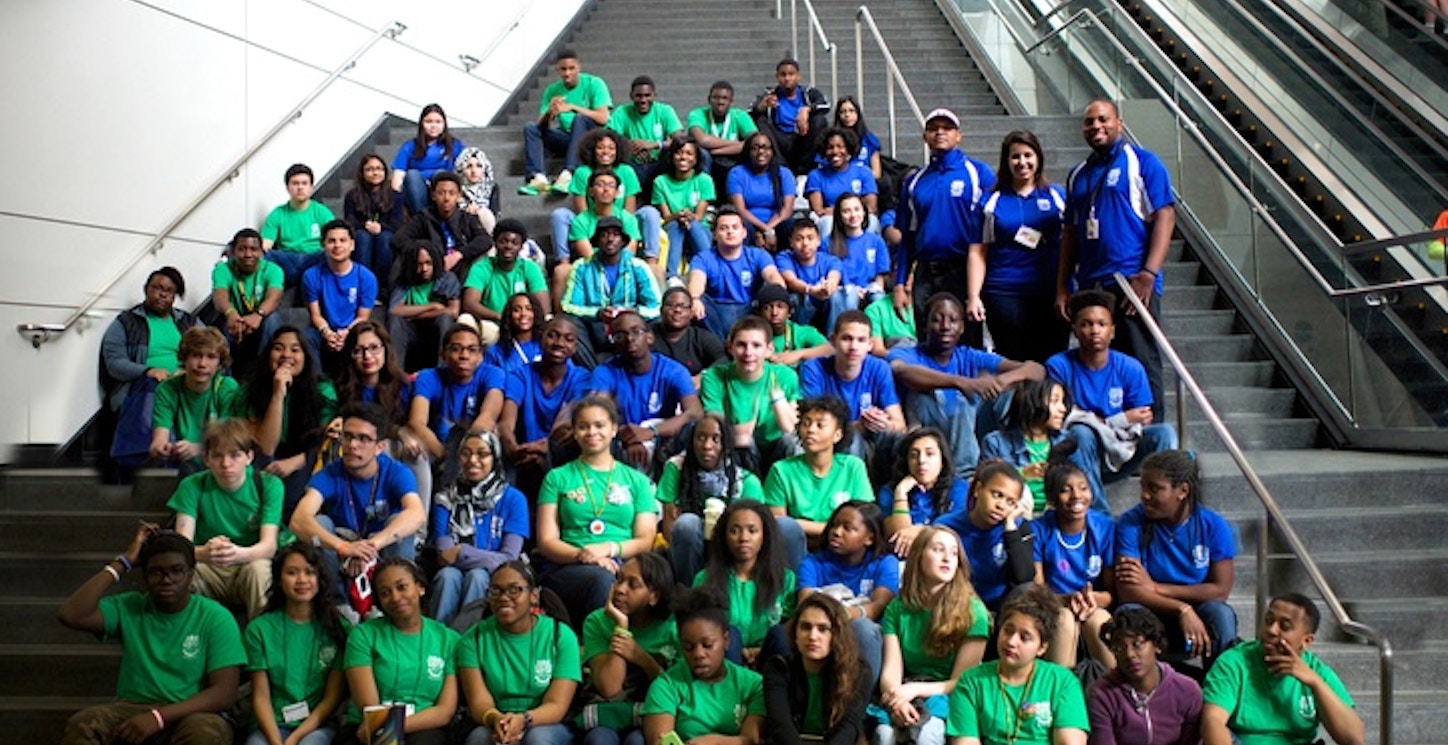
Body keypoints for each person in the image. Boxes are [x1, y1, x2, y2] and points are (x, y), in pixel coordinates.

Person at [58, 526, 244, 745]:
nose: (167, 579)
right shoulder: (129, 606)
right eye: (157, 571)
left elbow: (225, 692)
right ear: (144, 577)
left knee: (205, 733)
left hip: (190, 711)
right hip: (132, 708)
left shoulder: (215, 617)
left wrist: (159, 717)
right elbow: (71, 614)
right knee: (83, 723)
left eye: (177, 570)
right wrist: (123, 562)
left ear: (191, 575)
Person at [1056, 99, 1176, 421]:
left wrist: (1148, 272)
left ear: (1119, 123)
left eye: (1103, 120)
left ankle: (1155, 444)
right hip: (1092, 286)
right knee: (1099, 362)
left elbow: (1165, 215)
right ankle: (1115, 441)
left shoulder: (1143, 163)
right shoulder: (1078, 175)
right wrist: (1063, 285)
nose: (1096, 126)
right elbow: (1070, 233)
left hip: (1131, 282)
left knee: (1140, 362)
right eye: (1089, 122)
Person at [535, 396, 660, 630]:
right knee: (602, 579)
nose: (591, 432)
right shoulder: (557, 478)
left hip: (624, 564)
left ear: (613, 429)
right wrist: (585, 555)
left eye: (599, 425)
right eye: (583, 426)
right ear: (574, 432)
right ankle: (600, 652)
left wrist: (609, 549)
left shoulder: (637, 481)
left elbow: (646, 539)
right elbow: (546, 541)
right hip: (569, 566)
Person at [1047, 290, 1177, 512]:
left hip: (1121, 448)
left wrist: (1094, 418)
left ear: (1112, 331)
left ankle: (1161, 510)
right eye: (1086, 324)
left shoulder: (1131, 367)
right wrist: (1120, 418)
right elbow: (1061, 419)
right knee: (1081, 433)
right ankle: (1100, 517)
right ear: (1075, 331)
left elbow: (1142, 418)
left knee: (1164, 434)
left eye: (1101, 324)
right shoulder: (1059, 365)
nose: (1094, 330)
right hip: (1076, 456)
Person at [889, 293, 1044, 478]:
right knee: (926, 395)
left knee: (1010, 392)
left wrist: (1002, 381)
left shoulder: (969, 356)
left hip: (971, 435)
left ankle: (1009, 464)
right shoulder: (909, 354)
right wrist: (960, 382)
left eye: (953, 320)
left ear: (962, 327)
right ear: (924, 324)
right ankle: (963, 475)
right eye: (937, 320)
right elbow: (901, 371)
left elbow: (1037, 370)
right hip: (928, 437)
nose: (945, 326)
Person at [289, 402, 427, 601]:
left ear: (380, 446)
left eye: (363, 439)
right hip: (341, 554)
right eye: (348, 436)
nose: (353, 445)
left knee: (401, 523)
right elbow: (298, 520)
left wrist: (370, 546)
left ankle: (397, 602)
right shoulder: (330, 473)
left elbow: (417, 514)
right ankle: (336, 604)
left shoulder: (396, 472)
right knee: (319, 524)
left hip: (382, 548)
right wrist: (344, 548)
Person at [1115, 450, 1238, 661]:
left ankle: (1219, 688)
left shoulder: (1213, 526)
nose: (1145, 495)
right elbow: (1129, 591)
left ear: (1182, 491)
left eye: (1155, 488)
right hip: (1151, 611)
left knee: (1220, 614)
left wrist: (1156, 587)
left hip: (1197, 617)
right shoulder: (1130, 523)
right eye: (1143, 487)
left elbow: (1220, 590)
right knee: (1128, 612)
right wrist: (1181, 608)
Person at [874, 526, 990, 745]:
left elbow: (962, 681)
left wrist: (914, 690)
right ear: (918, 556)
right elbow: (891, 671)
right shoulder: (897, 608)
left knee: (927, 734)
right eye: (938, 549)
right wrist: (898, 701)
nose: (947, 558)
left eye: (954, 553)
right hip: (907, 691)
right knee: (884, 735)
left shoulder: (974, 612)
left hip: (950, 695)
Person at [1200, 594, 1363, 745]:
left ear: (1306, 641)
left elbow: (1353, 738)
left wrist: (1315, 682)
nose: (1271, 630)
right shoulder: (1233, 662)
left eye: (1284, 626)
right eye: (1269, 621)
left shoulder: (1317, 672)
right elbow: (1213, 720)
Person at [967, 130, 1070, 364]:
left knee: (1052, 361)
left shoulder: (1057, 197)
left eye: (1028, 155)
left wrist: (1066, 287)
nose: (1022, 162)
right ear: (1006, 161)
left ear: (1038, 158)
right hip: (1004, 292)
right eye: (1015, 157)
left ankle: (1049, 402)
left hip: (1050, 292)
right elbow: (977, 252)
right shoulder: (990, 201)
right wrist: (973, 296)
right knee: (1013, 361)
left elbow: (1071, 243)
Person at [893, 109, 996, 337]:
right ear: (925, 136)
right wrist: (899, 284)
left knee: (967, 340)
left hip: (963, 271)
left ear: (958, 135)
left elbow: (993, 226)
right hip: (926, 273)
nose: (940, 132)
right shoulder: (914, 182)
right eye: (933, 128)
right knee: (927, 338)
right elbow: (907, 239)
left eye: (947, 128)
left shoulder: (978, 173)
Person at [946, 584, 1091, 745]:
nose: (1011, 642)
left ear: (1042, 647)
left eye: (1025, 637)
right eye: (1008, 630)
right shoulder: (971, 682)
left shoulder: (1063, 682)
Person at [167, 419, 282, 620]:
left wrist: (237, 554)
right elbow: (181, 547)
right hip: (208, 567)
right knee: (181, 573)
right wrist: (205, 552)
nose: (226, 464)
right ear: (206, 459)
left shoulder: (269, 485)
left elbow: (269, 546)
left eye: (234, 455)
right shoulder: (192, 486)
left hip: (248, 563)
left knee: (260, 571)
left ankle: (261, 644)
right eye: (217, 456)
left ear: (249, 457)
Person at [457, 560, 582, 745]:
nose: (504, 597)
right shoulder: (472, 639)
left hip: (547, 722)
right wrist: (499, 722)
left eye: (514, 590)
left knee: (537, 739)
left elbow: (557, 705)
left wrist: (523, 720)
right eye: (496, 590)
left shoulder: (560, 635)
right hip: (495, 719)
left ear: (533, 595)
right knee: (479, 739)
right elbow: (479, 703)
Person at [338, 558, 459, 745]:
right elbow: (370, 707)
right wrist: (388, 732)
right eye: (385, 593)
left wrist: (400, 725)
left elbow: (444, 712)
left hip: (422, 727)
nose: (395, 597)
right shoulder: (363, 635)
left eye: (402, 587)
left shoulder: (449, 640)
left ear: (420, 588)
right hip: (368, 727)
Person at [243, 543, 349, 745]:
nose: (302, 580)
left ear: (320, 579)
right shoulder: (259, 630)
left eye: (309, 572)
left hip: (317, 725)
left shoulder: (338, 629)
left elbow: (331, 699)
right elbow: (261, 697)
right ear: (279, 580)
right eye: (292, 572)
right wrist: (276, 742)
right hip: (271, 725)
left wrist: (295, 739)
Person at [229, 325, 338, 519]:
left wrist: (295, 462)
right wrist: (278, 393)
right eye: (278, 348)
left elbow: (326, 441)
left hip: (308, 458)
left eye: (295, 350)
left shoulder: (323, 390)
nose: (286, 355)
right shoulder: (249, 391)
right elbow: (267, 447)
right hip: (262, 456)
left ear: (306, 356)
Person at [641, 587, 767, 745]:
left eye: (707, 645)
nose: (698, 654)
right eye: (688, 647)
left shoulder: (754, 685)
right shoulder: (665, 686)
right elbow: (661, 741)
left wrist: (714, 743)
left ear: (726, 640)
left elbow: (750, 740)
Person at [428, 432, 529, 627]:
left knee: (478, 576)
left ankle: (466, 643)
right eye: (465, 454)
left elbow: (509, 558)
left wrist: (461, 551)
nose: (472, 460)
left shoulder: (513, 499)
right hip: (454, 573)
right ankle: (438, 642)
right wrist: (482, 557)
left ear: (495, 458)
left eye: (482, 454)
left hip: (497, 577)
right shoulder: (445, 498)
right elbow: (444, 556)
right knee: (447, 576)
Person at [763, 395, 874, 570]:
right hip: (799, 549)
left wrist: (802, 524)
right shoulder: (781, 470)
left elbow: (866, 520)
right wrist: (830, 529)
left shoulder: (853, 467)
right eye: (806, 423)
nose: (811, 430)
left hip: (843, 547)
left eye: (820, 425)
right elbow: (778, 523)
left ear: (837, 435)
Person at [101, 267, 199, 466]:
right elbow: (114, 364)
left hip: (184, 384)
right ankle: (162, 455)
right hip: (140, 389)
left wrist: (187, 372)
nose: (162, 294)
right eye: (157, 288)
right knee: (157, 387)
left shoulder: (187, 322)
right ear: (146, 289)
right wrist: (147, 370)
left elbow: (213, 347)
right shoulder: (127, 322)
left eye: (169, 291)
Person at [579, 554, 680, 745]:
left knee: (637, 741)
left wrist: (641, 658)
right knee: (599, 740)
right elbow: (610, 689)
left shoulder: (673, 627)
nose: (620, 589)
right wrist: (621, 627)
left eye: (633, 585)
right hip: (609, 713)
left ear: (654, 596)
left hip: (652, 713)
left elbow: (676, 691)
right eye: (619, 580)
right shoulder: (597, 621)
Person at [658, 412, 765, 588]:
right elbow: (670, 530)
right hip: (689, 552)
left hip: (730, 551)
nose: (707, 445)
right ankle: (688, 595)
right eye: (701, 437)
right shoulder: (676, 469)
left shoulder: (746, 482)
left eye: (716, 439)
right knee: (687, 524)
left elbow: (753, 536)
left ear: (726, 444)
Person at [1032, 448, 1116, 670]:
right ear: (1052, 498)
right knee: (1064, 621)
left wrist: (1091, 600)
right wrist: (1066, 600)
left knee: (1099, 622)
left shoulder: (1105, 528)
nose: (1077, 496)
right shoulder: (1039, 530)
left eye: (1083, 488)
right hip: (1054, 604)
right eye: (1066, 490)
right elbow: (1037, 591)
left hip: (1092, 605)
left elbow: (1111, 593)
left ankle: (1119, 696)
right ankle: (1061, 695)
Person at [796, 501, 898, 682]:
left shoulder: (884, 562)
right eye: (834, 525)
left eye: (848, 528)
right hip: (822, 633)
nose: (836, 532)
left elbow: (881, 605)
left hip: (865, 638)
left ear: (869, 538)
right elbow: (806, 604)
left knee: (863, 628)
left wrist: (848, 613)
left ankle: (863, 700)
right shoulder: (813, 563)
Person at [588, 309, 702, 470]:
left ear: (649, 337)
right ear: (613, 342)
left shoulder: (673, 371)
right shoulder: (605, 372)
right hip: (621, 442)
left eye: (636, 332)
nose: (629, 339)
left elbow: (695, 412)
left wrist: (650, 432)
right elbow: (596, 413)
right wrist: (628, 436)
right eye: (620, 335)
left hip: (662, 441)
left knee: (691, 428)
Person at [800, 310, 907, 475]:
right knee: (852, 440)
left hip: (871, 442)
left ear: (870, 345)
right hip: (827, 442)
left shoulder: (879, 368)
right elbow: (812, 426)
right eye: (847, 338)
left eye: (861, 340)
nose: (854, 347)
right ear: (833, 340)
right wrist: (857, 426)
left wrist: (882, 423)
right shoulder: (814, 368)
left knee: (901, 440)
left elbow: (900, 424)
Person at [406, 321, 506, 492]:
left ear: (480, 356)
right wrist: (446, 456)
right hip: (437, 447)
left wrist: (464, 455)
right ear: (443, 354)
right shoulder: (428, 377)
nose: (464, 355)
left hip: (476, 445)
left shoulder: (493, 374)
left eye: (472, 350)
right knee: (413, 450)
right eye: (456, 348)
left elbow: (488, 416)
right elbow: (416, 422)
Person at [694, 499, 795, 665]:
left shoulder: (785, 579)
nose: (743, 538)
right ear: (724, 536)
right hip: (723, 661)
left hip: (769, 659)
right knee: (728, 634)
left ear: (765, 535)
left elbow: (790, 625)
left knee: (780, 634)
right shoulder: (705, 579)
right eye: (734, 531)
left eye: (752, 531)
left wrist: (760, 650)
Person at [762, 593, 872, 745]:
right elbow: (781, 727)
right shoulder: (777, 668)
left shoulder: (859, 672)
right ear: (795, 634)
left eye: (823, 629)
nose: (813, 636)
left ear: (837, 634)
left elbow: (848, 729)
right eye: (805, 627)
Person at [498, 316, 595, 488]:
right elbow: (506, 423)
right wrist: (513, 448)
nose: (559, 342)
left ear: (575, 348)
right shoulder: (520, 375)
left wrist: (546, 449)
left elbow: (565, 427)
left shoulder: (582, 379)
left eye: (568, 339)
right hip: (523, 454)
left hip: (560, 455)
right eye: (553, 335)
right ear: (541, 339)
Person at [699, 315, 802, 476]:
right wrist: (737, 433)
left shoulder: (785, 376)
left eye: (756, 345)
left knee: (792, 442)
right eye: (741, 345)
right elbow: (715, 425)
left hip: (776, 447)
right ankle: (747, 494)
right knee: (742, 441)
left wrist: (778, 400)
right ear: (730, 346)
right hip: (739, 447)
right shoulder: (714, 377)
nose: (748, 353)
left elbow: (791, 429)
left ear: (769, 349)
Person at [932, 460, 1037, 610]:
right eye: (996, 495)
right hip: (953, 606)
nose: (1001, 506)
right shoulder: (946, 526)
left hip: (1001, 609)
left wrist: (1010, 530)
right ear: (978, 489)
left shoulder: (1018, 528)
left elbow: (1024, 578)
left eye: (1010, 502)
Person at [1088, 608, 1202, 745]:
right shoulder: (1102, 694)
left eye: (1137, 644)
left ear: (1157, 645)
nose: (1129, 654)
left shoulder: (1187, 690)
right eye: (1119, 648)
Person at [561, 217, 664, 366]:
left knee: (658, 323)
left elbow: (656, 306)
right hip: (597, 328)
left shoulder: (637, 266)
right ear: (597, 241)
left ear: (623, 241)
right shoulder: (582, 267)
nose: (610, 239)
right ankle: (592, 372)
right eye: (604, 235)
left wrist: (633, 312)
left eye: (615, 234)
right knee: (569, 322)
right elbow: (568, 306)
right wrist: (598, 313)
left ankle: (648, 369)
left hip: (631, 328)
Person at [551, 127, 657, 265]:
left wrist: (615, 229)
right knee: (559, 215)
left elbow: (629, 212)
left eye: (611, 148)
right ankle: (563, 263)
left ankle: (651, 262)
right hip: (591, 220)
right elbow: (582, 212)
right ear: (592, 150)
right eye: (600, 147)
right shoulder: (582, 172)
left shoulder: (626, 171)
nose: (606, 152)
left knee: (650, 213)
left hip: (620, 220)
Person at [521, 49, 612, 195]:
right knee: (531, 128)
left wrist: (573, 107)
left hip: (592, 139)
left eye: (571, 68)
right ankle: (538, 178)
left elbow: (603, 118)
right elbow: (540, 125)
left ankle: (568, 174)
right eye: (563, 69)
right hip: (568, 138)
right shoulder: (552, 90)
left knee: (580, 119)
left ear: (579, 67)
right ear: (557, 70)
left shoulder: (594, 83)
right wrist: (550, 111)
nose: (567, 73)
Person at [149, 327, 238, 475]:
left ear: (219, 363)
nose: (202, 364)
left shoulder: (227, 388)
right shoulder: (167, 389)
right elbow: (159, 437)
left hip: (223, 462)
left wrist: (198, 448)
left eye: (211, 357)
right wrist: (160, 447)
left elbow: (230, 439)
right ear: (184, 358)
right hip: (188, 465)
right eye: (196, 355)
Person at [689, 207, 787, 339]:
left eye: (735, 227)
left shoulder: (758, 255)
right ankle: (720, 348)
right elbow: (697, 281)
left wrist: (778, 289)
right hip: (716, 311)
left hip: (750, 308)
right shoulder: (703, 258)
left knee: (779, 299)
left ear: (744, 233)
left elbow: (771, 275)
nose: (730, 232)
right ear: (714, 234)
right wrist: (694, 298)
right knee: (695, 301)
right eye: (723, 228)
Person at [980, 378, 1073, 513]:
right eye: (1054, 401)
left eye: (1063, 402)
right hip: (1013, 514)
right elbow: (985, 483)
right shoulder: (995, 443)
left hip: (1056, 514)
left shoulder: (1066, 441)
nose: (1063, 409)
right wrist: (1021, 474)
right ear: (1033, 403)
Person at [391, 171, 494, 286]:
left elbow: (485, 239)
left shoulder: (466, 218)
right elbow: (399, 239)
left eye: (452, 193)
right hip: (430, 269)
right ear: (433, 195)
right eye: (441, 193)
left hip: (461, 267)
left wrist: (459, 254)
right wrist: (428, 254)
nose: (446, 198)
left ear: (459, 196)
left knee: (482, 259)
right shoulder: (423, 217)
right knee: (401, 260)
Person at [303, 221, 378, 376]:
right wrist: (327, 333)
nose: (337, 245)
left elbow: (363, 317)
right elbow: (315, 315)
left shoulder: (366, 277)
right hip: (324, 331)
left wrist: (346, 334)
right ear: (323, 245)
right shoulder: (311, 276)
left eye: (342, 240)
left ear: (352, 245)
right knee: (307, 336)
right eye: (331, 241)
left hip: (353, 330)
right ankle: (317, 387)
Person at [880, 428, 968, 557]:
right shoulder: (890, 491)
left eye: (930, 454)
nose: (921, 461)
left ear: (942, 461)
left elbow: (958, 530)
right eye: (914, 455)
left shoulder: (960, 488)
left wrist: (923, 531)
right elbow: (900, 542)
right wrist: (901, 493)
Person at [463, 219, 550, 346]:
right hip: (493, 326)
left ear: (521, 246)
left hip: (524, 325)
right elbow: (469, 304)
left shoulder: (530, 268)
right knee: (465, 320)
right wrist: (502, 318)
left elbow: (544, 308)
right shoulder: (482, 267)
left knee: (549, 321)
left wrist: (521, 321)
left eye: (515, 243)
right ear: (495, 242)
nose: (508, 246)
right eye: (503, 241)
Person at [211, 228, 283, 380]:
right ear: (233, 251)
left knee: (273, 319)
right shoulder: (223, 269)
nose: (248, 254)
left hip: (261, 324)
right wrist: (231, 313)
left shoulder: (272, 269)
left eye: (253, 249)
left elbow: (274, 297)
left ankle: (264, 376)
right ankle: (223, 381)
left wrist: (258, 315)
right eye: (242, 249)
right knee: (221, 322)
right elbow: (219, 296)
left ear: (261, 251)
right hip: (234, 324)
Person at [388, 239, 460, 371]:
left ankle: (443, 373)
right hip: (412, 332)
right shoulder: (405, 281)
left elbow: (453, 311)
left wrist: (416, 315)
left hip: (436, 330)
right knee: (396, 321)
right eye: (419, 264)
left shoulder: (448, 279)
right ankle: (395, 375)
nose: (424, 269)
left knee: (445, 319)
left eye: (428, 263)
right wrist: (432, 306)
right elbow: (394, 310)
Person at [751, 58, 831, 173]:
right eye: (783, 75)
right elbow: (748, 113)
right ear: (777, 77)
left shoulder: (808, 93)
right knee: (760, 120)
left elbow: (826, 105)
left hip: (803, 138)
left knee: (819, 120)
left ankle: (804, 170)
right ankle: (782, 169)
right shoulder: (769, 94)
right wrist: (761, 106)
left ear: (798, 76)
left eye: (791, 74)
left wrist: (807, 109)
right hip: (779, 140)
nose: (787, 78)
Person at [652, 136, 716, 278]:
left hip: (698, 227)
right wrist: (678, 216)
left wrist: (689, 217)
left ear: (696, 158)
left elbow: (699, 216)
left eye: (689, 153)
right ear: (672, 156)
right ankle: (672, 276)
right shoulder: (660, 182)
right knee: (676, 224)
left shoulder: (704, 180)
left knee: (692, 223)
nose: (683, 157)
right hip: (672, 226)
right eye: (679, 152)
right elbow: (667, 217)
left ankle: (712, 270)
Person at [261, 163, 335, 286]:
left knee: (333, 253)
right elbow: (266, 245)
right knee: (263, 256)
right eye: (295, 183)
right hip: (287, 259)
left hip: (314, 258)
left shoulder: (321, 211)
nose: (300, 187)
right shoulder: (277, 213)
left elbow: (335, 236)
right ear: (288, 188)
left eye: (304, 183)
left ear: (311, 187)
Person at [391, 103, 467, 214]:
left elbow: (465, 171)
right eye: (429, 122)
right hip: (416, 193)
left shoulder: (455, 145)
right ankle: (424, 221)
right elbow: (397, 178)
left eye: (438, 122)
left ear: (444, 124)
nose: (433, 126)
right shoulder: (410, 146)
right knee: (412, 175)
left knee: (441, 174)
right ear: (422, 124)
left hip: (445, 194)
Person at [727, 131, 797, 250]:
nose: (760, 152)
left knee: (791, 225)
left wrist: (769, 229)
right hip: (748, 222)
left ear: (772, 151)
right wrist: (764, 230)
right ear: (748, 152)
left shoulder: (784, 173)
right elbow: (740, 209)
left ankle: (787, 264)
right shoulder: (736, 173)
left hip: (777, 222)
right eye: (755, 148)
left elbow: (787, 210)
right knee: (740, 227)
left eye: (766, 148)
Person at [806, 128, 879, 237]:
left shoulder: (864, 172)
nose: (835, 151)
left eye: (840, 147)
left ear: (848, 149)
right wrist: (841, 214)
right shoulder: (815, 175)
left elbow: (871, 207)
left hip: (858, 216)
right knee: (826, 223)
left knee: (872, 221)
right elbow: (819, 211)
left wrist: (845, 212)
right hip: (831, 220)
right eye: (830, 148)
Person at [607, 75, 685, 177]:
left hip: (659, 162)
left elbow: (680, 141)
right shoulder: (622, 112)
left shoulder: (665, 111)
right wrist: (633, 146)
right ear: (631, 96)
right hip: (632, 162)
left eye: (647, 95)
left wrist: (654, 145)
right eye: (638, 96)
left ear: (654, 95)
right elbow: (609, 137)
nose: (643, 100)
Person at [345, 153, 404, 287]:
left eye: (379, 169)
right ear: (362, 173)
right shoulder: (352, 196)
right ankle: (363, 285)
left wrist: (380, 227)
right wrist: (364, 225)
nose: (375, 173)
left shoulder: (395, 196)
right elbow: (349, 222)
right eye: (370, 169)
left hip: (387, 234)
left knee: (384, 238)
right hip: (362, 233)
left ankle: (381, 287)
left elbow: (398, 224)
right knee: (362, 237)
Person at [775, 218, 845, 329]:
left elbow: (834, 277)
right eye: (799, 239)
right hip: (800, 309)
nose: (805, 243)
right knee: (798, 297)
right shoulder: (784, 257)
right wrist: (810, 290)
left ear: (818, 241)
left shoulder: (831, 260)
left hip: (824, 307)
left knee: (836, 295)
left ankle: (832, 339)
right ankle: (799, 338)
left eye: (810, 238)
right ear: (791, 242)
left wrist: (828, 287)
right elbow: (791, 280)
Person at [689, 81, 759, 188]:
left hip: (732, 157)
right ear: (709, 99)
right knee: (703, 154)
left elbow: (755, 142)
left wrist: (716, 151)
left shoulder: (740, 115)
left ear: (731, 101)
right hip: (706, 159)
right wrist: (737, 144)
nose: (720, 101)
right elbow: (702, 140)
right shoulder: (697, 114)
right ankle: (705, 196)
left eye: (725, 98)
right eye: (715, 97)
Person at [826, 192, 890, 310]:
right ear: (839, 215)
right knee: (849, 298)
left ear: (864, 212)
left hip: (869, 287)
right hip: (842, 289)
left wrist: (872, 288)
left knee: (879, 299)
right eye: (846, 211)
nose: (853, 215)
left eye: (857, 209)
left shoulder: (876, 241)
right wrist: (851, 288)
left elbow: (880, 275)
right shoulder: (828, 242)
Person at [652, 286, 728, 383]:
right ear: (661, 310)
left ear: (691, 313)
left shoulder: (701, 337)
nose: (677, 310)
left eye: (683, 306)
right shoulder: (648, 335)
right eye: (671, 305)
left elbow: (723, 359)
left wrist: (702, 377)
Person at [755, 283, 831, 370]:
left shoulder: (800, 332)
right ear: (759, 313)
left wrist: (799, 354)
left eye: (780, 306)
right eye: (767, 308)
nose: (774, 313)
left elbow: (831, 349)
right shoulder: (751, 335)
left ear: (789, 312)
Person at [486, 292, 545, 374]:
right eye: (517, 310)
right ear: (509, 315)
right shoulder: (495, 352)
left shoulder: (545, 346)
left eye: (529, 309)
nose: (523, 314)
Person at [831, 96, 882, 178]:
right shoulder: (831, 139)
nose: (847, 115)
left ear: (857, 113)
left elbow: (876, 173)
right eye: (843, 112)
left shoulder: (869, 139)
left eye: (851, 111)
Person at [456, 146, 500, 234]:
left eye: (479, 166)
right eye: (469, 166)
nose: (474, 171)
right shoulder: (456, 188)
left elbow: (494, 213)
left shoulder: (492, 187)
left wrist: (479, 210)